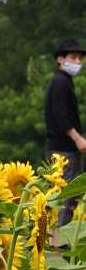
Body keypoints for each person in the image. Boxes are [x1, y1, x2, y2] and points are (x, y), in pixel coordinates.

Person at [45, 38, 86, 244]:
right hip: (63, 150)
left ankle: (62, 239)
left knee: (70, 196)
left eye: (79, 58)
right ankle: (57, 240)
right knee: (64, 195)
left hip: (66, 148)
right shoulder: (60, 82)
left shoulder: (63, 81)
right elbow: (61, 116)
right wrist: (78, 138)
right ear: (60, 59)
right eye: (72, 57)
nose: (77, 61)